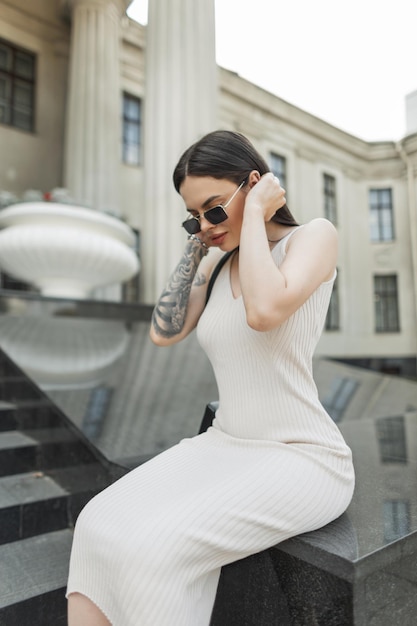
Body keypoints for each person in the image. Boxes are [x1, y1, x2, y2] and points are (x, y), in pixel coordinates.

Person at [67, 130, 355, 625]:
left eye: (214, 209)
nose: (204, 224)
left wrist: (257, 215)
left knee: (157, 548)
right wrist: (199, 247)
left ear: (254, 184)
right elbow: (164, 330)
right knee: (97, 522)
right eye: (193, 216)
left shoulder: (314, 237)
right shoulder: (217, 263)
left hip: (302, 456)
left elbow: (264, 311)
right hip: (226, 444)